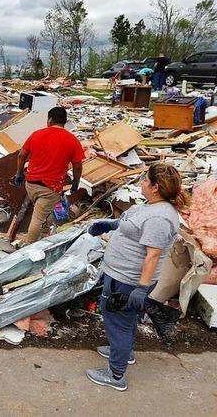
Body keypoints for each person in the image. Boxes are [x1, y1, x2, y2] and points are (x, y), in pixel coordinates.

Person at [86, 163, 187, 391]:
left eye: (145, 180)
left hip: (128, 281)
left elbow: (152, 255)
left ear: (155, 187)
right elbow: (134, 226)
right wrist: (112, 225)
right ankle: (125, 351)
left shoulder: (160, 218)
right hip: (122, 276)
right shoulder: (153, 206)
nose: (141, 183)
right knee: (126, 319)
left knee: (118, 323)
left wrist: (141, 288)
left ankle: (116, 374)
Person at [12, 107, 85, 243]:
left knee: (43, 211)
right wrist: (75, 183)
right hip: (51, 188)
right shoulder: (72, 140)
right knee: (38, 218)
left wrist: (19, 173)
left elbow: (22, 155)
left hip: (31, 183)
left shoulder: (36, 134)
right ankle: (29, 248)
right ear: (65, 121)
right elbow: (78, 165)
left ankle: (44, 235)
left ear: (50, 119)